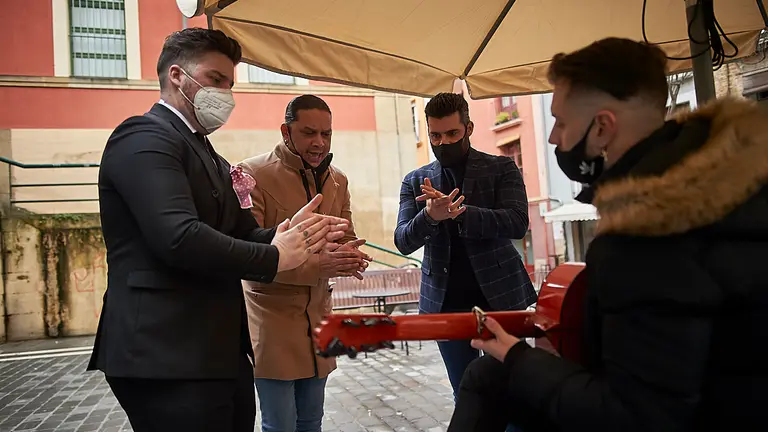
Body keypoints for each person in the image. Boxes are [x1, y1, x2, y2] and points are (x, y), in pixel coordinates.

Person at [448, 37, 768, 431]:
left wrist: (517, 357)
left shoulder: (645, 236)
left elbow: (634, 417)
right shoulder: (740, 183)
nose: (553, 138)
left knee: (491, 376)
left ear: (602, 127)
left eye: (561, 122)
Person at [88, 29, 349, 432]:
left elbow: (243, 232)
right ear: (177, 76)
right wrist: (276, 254)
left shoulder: (209, 153)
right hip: (164, 353)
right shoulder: (142, 136)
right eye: (215, 80)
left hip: (217, 351)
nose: (225, 94)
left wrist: (291, 234)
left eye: (229, 84)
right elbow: (178, 236)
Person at [237, 94, 372, 432]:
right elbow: (249, 259)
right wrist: (321, 266)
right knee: (279, 425)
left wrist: (350, 254)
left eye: (326, 134)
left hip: (319, 322)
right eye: (310, 132)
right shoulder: (250, 175)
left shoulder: (337, 179)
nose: (319, 142)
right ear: (286, 131)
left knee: (312, 422)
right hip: (272, 325)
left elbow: (344, 234)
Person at [394, 92, 536, 398]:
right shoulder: (415, 180)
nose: (443, 142)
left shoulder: (502, 168)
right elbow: (403, 240)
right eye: (435, 135)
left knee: (514, 391)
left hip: (502, 297)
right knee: (467, 393)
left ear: (468, 129)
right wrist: (430, 216)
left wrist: (462, 214)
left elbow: (517, 223)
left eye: (452, 134)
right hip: (446, 304)